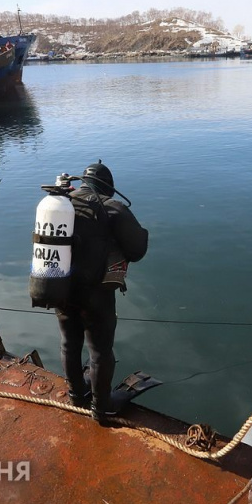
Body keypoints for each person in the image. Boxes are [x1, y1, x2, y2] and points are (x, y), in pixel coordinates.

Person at [56, 161, 148, 423]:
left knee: (68, 342)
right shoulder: (112, 207)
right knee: (99, 351)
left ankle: (76, 393)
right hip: (95, 295)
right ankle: (101, 407)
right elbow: (137, 250)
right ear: (108, 186)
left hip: (59, 287)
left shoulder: (61, 203)